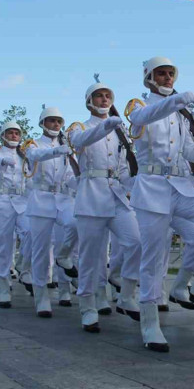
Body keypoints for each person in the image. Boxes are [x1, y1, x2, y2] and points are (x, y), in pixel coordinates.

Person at [125, 56, 194, 353]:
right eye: (161, 73)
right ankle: (150, 322)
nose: (168, 77)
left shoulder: (182, 114)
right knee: (154, 257)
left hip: (181, 186)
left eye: (171, 73)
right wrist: (176, 102)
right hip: (152, 188)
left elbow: (188, 150)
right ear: (149, 77)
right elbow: (140, 120)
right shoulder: (139, 105)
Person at [69, 83, 142, 330]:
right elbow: (78, 140)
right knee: (91, 257)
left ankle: (126, 293)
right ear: (89, 101)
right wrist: (105, 126)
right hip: (91, 196)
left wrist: (134, 184)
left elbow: (122, 166)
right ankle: (88, 307)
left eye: (108, 96)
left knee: (135, 241)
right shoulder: (80, 126)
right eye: (99, 96)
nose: (104, 99)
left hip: (116, 195)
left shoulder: (119, 130)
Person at [22, 106, 76, 320]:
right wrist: (56, 151)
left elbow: (70, 175)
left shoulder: (66, 146)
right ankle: (41, 297)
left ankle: (64, 263)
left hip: (63, 199)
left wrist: (81, 183)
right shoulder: (33, 144)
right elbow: (35, 156)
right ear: (42, 123)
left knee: (74, 224)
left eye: (58, 121)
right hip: (41, 200)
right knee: (41, 251)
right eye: (51, 121)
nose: (55, 125)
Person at [0, 121, 28, 309]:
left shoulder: (23, 154)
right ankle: (3, 288)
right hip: (1, 202)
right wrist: (2, 160)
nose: (13, 136)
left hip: (21, 201)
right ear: (3, 135)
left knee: (32, 233)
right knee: (3, 246)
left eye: (16, 133)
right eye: (10, 133)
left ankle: (20, 265)